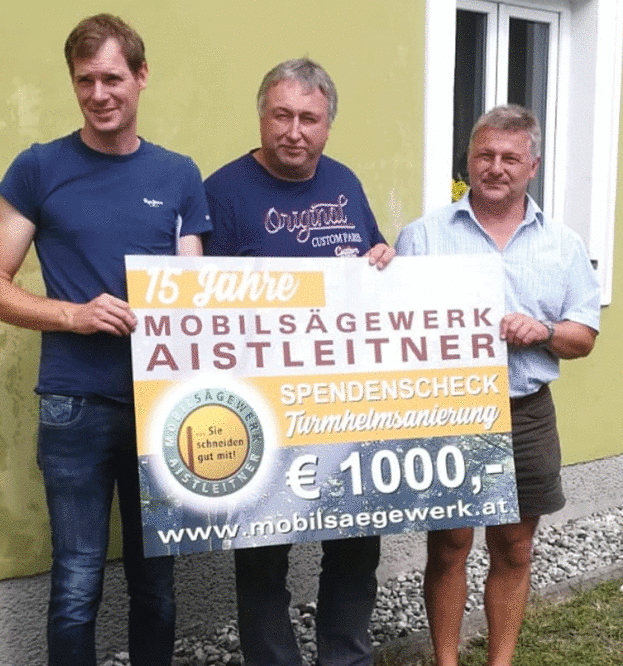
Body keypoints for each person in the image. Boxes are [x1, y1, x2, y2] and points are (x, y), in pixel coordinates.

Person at [0, 14, 211, 666]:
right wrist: (73, 315)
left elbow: (192, 291)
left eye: (112, 78)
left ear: (141, 76)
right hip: (74, 403)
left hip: (162, 408)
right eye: (85, 81)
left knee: (157, 584)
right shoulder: (38, 168)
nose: (99, 94)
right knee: (77, 583)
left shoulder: (178, 175)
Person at [203, 58, 395, 666]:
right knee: (262, 553)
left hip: (344, 405)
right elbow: (193, 305)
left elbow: (370, 265)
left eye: (308, 118)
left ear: (328, 125)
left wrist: (383, 260)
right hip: (261, 408)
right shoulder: (221, 192)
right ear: (261, 117)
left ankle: (346, 658)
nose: (293, 131)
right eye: (281, 115)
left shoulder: (344, 183)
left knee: (356, 545)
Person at [395, 105, 600, 666]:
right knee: (449, 545)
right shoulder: (424, 237)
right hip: (449, 411)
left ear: (533, 166)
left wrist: (544, 331)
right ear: (468, 160)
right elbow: (391, 325)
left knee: (514, 546)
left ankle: (500, 662)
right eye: (484, 155)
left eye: (510, 158)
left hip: (526, 411)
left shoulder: (563, 245)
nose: (496, 167)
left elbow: (584, 337)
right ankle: (446, 661)